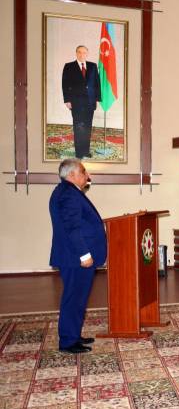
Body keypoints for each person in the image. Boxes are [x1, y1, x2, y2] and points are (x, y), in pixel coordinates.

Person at [49, 158, 107, 353]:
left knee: (78, 299)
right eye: (83, 172)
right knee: (73, 299)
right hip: (76, 258)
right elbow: (72, 228)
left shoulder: (68, 191)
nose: (87, 176)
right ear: (72, 174)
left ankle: (73, 335)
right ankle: (67, 341)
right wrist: (84, 255)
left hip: (74, 256)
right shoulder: (68, 194)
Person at [62, 45, 101, 159]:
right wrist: (67, 100)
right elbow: (65, 84)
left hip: (90, 102)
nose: (81, 54)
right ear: (76, 53)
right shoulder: (69, 66)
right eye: (79, 52)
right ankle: (79, 152)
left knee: (88, 126)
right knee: (79, 126)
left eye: (84, 52)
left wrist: (97, 99)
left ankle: (86, 151)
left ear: (87, 54)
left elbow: (97, 83)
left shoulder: (93, 66)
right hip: (76, 102)